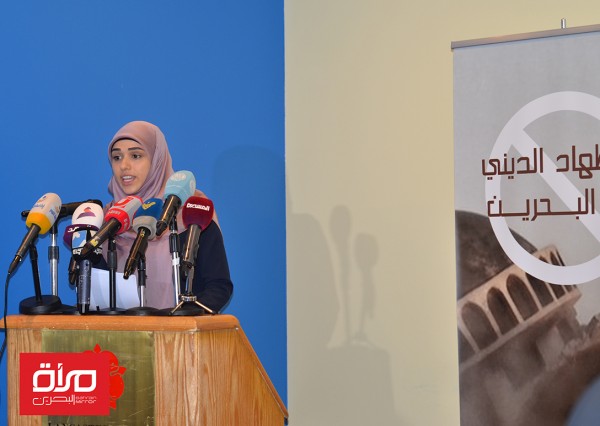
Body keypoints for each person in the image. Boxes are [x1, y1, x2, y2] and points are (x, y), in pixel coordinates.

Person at [105, 120, 233, 312]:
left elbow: (218, 288)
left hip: (178, 330)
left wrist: (176, 318)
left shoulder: (192, 212)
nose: (124, 165)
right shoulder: (109, 220)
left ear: (157, 160)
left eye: (136, 155)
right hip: (119, 331)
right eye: (117, 157)